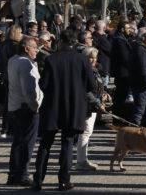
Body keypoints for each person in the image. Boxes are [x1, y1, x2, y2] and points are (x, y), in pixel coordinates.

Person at [31, 30, 94, 191]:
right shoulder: (83, 60)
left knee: (46, 143)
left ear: (61, 42)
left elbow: (43, 85)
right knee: (67, 144)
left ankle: (38, 179)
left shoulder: (52, 59)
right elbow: (92, 85)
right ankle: (64, 180)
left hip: (53, 107)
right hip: (74, 108)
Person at [6, 37, 43, 186]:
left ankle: (13, 175)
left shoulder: (13, 60)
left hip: (15, 107)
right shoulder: (25, 64)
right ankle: (22, 175)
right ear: (26, 49)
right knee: (27, 143)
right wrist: (34, 106)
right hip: (26, 109)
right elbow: (29, 89)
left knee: (17, 142)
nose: (36, 51)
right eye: (34, 48)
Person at [76, 47, 107, 171]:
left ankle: (83, 159)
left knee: (88, 132)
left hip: (93, 105)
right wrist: (98, 102)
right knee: (85, 132)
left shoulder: (94, 70)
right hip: (87, 105)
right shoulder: (84, 70)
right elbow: (86, 91)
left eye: (95, 57)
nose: (93, 60)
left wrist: (103, 94)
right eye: (90, 57)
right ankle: (81, 161)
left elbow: (97, 87)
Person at [0, 25, 23, 138]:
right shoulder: (15, 46)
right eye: (21, 32)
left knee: (7, 103)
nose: (22, 35)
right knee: (14, 103)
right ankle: (11, 128)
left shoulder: (3, 44)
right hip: (13, 76)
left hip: (6, 75)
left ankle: (4, 128)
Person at [129, 31, 146, 128]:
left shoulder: (143, 49)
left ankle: (145, 129)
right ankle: (134, 132)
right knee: (139, 110)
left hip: (145, 85)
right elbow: (143, 69)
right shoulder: (141, 50)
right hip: (141, 85)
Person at [110, 21, 134, 123]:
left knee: (121, 96)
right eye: (128, 28)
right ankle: (118, 118)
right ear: (122, 29)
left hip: (124, 73)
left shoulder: (123, 39)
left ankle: (119, 117)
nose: (130, 30)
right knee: (120, 96)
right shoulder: (119, 41)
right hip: (122, 73)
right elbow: (125, 58)